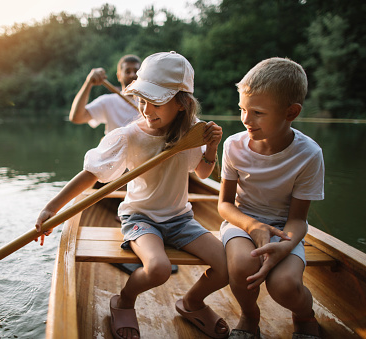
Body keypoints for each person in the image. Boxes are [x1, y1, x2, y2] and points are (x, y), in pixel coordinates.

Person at [36, 52, 229, 339]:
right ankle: (124, 300)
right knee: (159, 268)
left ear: (181, 104)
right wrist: (52, 208)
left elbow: (202, 172)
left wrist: (212, 148)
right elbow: (91, 174)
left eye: (156, 102)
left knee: (227, 266)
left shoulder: (192, 131)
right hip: (140, 217)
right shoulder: (128, 135)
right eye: (141, 99)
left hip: (180, 218)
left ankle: (192, 303)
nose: (146, 109)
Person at [218, 57, 324, 339]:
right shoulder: (233, 146)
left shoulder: (309, 154)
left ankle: (304, 316)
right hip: (242, 223)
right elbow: (225, 205)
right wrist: (252, 226)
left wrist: (284, 245)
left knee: (285, 286)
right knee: (242, 266)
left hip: (284, 229)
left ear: (291, 112)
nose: (245, 120)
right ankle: (250, 315)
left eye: (258, 112)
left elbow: (299, 219)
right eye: (242, 109)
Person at [69, 54, 141, 134]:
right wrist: (88, 83)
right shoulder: (108, 101)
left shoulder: (150, 103)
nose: (132, 75)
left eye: (136, 71)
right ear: (119, 76)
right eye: (127, 71)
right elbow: (77, 118)